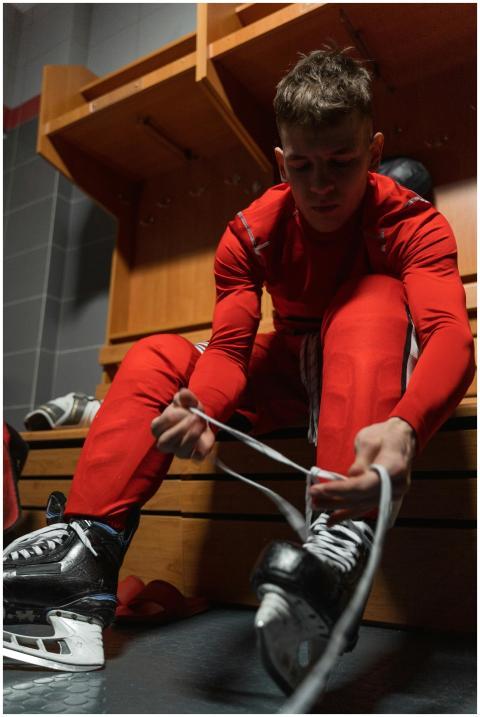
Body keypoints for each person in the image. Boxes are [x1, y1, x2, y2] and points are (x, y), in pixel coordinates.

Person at [4, 48, 475, 687]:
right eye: (303, 166)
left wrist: (409, 426)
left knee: (370, 298)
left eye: (342, 161)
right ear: (281, 162)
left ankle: (336, 550)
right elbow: (227, 350)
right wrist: (202, 404)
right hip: (289, 373)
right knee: (156, 356)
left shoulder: (412, 222)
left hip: (369, 371)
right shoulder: (251, 232)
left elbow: (449, 335)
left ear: (373, 149)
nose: (322, 185)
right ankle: (83, 574)